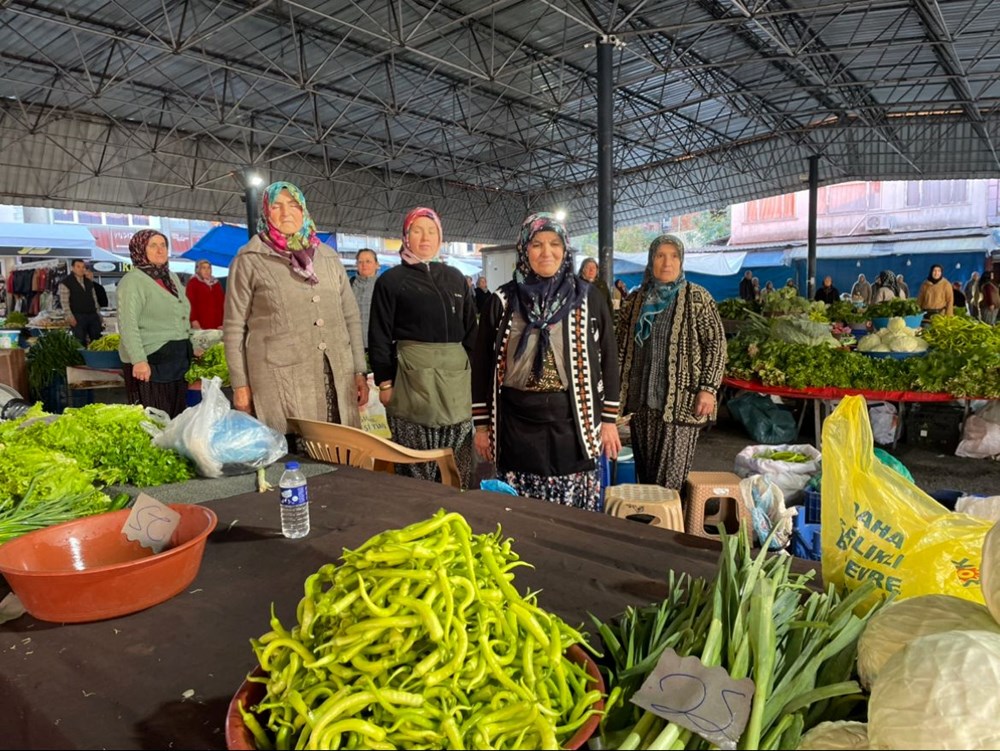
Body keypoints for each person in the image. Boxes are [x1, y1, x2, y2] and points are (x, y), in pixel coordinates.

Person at [472, 213, 620, 511]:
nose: (546, 252)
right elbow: (482, 366)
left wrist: (608, 420)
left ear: (565, 249)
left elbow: (609, 356)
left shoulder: (587, 298)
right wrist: (482, 426)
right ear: (524, 249)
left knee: (571, 514)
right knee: (522, 514)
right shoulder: (503, 301)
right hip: (516, 427)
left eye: (554, 243)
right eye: (537, 244)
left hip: (574, 425)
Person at [223, 181, 368, 435]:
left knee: (340, 447)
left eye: (293, 205)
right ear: (266, 212)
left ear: (303, 210)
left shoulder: (328, 257)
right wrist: (240, 385)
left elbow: (351, 317)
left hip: (337, 374)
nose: (286, 212)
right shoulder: (249, 260)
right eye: (276, 206)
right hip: (281, 380)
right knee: (293, 450)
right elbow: (234, 327)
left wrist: (359, 370)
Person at [369, 207, 478, 488]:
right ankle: (418, 509)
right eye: (417, 231)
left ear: (440, 237)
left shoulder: (456, 277)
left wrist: (469, 371)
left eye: (431, 231)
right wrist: (384, 382)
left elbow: (471, 331)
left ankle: (458, 508)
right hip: (412, 380)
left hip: (455, 382)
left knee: (458, 465)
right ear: (406, 236)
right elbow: (379, 334)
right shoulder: (391, 281)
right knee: (416, 464)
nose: (425, 237)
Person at [616, 234, 726, 490]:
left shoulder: (697, 297)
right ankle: (651, 516)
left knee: (669, 482)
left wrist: (708, 389)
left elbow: (716, 344)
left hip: (682, 403)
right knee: (646, 478)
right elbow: (621, 347)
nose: (667, 263)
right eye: (660, 256)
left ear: (681, 261)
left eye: (674, 256)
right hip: (642, 405)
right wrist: (615, 396)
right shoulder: (636, 301)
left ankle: (670, 516)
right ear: (650, 260)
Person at [117, 231, 192, 418]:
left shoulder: (170, 277)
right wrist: (139, 360)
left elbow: (182, 314)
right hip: (151, 360)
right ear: (140, 250)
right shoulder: (133, 281)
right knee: (155, 418)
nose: (160, 250)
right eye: (153, 246)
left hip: (176, 358)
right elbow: (127, 324)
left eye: (163, 245)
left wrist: (193, 342)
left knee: (177, 417)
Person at [60, 258, 103, 345]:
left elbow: (94, 298)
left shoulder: (88, 281)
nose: (81, 269)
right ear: (72, 268)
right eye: (78, 267)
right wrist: (69, 317)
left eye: (83, 267)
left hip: (92, 315)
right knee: (80, 341)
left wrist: (98, 314)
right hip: (77, 316)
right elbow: (64, 302)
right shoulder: (66, 282)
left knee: (97, 340)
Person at [350, 248, 379, 352]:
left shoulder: (383, 285)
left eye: (368, 261)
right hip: (354, 343)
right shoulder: (349, 284)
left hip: (377, 343)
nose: (364, 265)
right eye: (360, 262)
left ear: (377, 265)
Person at [185, 259, 225, 329]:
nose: (207, 270)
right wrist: (193, 320)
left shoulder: (216, 283)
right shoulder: (193, 282)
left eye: (209, 268)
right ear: (198, 270)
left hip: (217, 323)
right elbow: (190, 302)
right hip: (201, 322)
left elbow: (222, 303)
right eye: (203, 268)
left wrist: (223, 321)